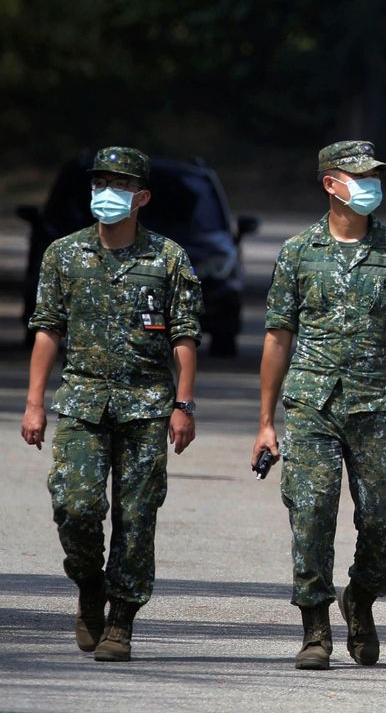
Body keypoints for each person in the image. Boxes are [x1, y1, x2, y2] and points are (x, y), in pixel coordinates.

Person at [20, 146, 203, 662]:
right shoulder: (63, 254)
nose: (107, 194)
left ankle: (121, 619)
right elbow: (47, 329)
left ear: (141, 197)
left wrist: (184, 404)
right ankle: (88, 585)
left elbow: (184, 335)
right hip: (82, 402)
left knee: (137, 517)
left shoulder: (167, 258)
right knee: (75, 506)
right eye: (100, 184)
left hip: (146, 406)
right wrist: (34, 403)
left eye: (119, 186)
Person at [252, 140, 386, 671]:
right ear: (331, 184)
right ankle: (315, 630)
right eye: (359, 177)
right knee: (311, 515)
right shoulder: (298, 253)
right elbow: (278, 337)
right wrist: (265, 422)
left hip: (376, 406)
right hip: (312, 405)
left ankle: (361, 599)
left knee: (385, 523)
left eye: (375, 176)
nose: (370, 185)